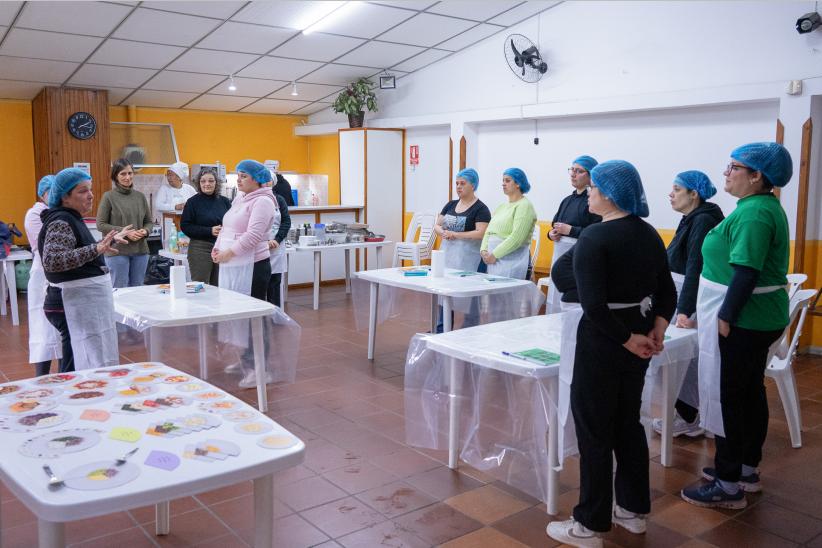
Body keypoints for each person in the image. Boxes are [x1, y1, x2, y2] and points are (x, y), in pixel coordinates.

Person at [547, 160, 676, 547]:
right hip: (637, 334)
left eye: (594, 187)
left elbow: (594, 305)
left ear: (609, 194)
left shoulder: (595, 239)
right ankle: (632, 511)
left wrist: (625, 339)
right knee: (628, 423)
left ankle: (589, 524)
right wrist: (655, 329)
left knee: (594, 431)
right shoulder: (649, 233)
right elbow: (667, 291)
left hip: (605, 341)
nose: (588, 192)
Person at [681, 142, 792, 510]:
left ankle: (728, 484)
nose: (726, 173)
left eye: (734, 167)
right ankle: (745, 467)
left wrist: (726, 316)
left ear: (757, 176)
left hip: (744, 319)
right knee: (747, 392)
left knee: (729, 396)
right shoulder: (755, 207)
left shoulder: (755, 214)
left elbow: (746, 271)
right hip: (754, 316)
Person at [651, 171, 724, 438]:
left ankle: (689, 415)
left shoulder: (703, 220)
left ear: (694, 193)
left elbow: (696, 265)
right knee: (676, 356)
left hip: (688, 297)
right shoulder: (692, 218)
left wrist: (684, 309)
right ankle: (685, 411)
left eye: (677, 189)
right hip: (681, 292)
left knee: (684, 357)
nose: (671, 194)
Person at [40, 168, 129, 371]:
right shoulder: (61, 221)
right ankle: (73, 399)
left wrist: (104, 244)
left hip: (79, 301)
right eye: (82, 191)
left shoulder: (69, 218)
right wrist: (96, 249)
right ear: (65, 197)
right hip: (70, 303)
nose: (90, 195)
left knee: (80, 357)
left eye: (90, 190)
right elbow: (53, 260)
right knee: (78, 362)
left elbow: (75, 252)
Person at [212, 159, 276, 388]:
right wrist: (217, 248)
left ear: (257, 179)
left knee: (252, 318)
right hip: (234, 265)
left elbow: (254, 236)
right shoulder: (240, 198)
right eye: (237, 175)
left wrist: (229, 252)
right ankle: (244, 361)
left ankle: (260, 369)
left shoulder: (263, 202)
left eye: (243, 176)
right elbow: (227, 226)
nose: (238, 179)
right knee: (237, 314)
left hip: (254, 266)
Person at [433, 168, 491, 331]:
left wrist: (457, 235)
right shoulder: (450, 204)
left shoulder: (481, 209)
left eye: (462, 184)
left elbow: (481, 233)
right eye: (457, 183)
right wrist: (443, 232)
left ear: (473, 186)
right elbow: (437, 225)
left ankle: (470, 330)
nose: (458, 187)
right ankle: (442, 327)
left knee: (469, 296)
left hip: (469, 259)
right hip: (448, 256)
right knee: (444, 292)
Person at [546, 155, 602, 313]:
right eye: (572, 170)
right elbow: (554, 224)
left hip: (580, 256)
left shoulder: (594, 202)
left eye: (579, 171)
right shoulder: (567, 200)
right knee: (554, 299)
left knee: (572, 302)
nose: (573, 174)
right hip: (559, 255)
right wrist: (551, 234)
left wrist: (571, 230)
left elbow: (596, 232)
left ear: (590, 175)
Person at [24, 175, 62, 376]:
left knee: (62, 330)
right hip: (41, 276)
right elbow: (47, 243)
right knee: (42, 330)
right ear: (44, 193)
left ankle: (66, 374)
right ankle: (42, 377)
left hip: (59, 277)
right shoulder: (34, 214)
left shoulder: (58, 213)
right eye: (52, 192)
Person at [96, 159, 153, 288]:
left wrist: (145, 231)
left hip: (140, 251)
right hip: (117, 252)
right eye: (123, 174)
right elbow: (100, 224)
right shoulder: (108, 197)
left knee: (137, 290)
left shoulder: (140, 197)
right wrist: (125, 232)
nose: (127, 177)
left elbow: (149, 222)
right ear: (115, 176)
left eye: (130, 173)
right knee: (119, 290)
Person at [480, 168, 537, 279]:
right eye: (503, 181)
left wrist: (494, 254)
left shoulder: (525, 206)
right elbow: (488, 231)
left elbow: (517, 238)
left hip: (511, 261)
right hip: (492, 260)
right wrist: (483, 250)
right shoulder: (502, 206)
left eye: (507, 181)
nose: (503, 184)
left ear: (518, 184)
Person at [180, 167, 231, 285]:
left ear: (216, 183)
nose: (207, 184)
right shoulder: (192, 202)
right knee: (201, 286)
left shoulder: (225, 201)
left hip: (221, 247)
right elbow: (185, 226)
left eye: (211, 181)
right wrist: (209, 231)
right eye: (203, 181)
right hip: (200, 248)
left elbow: (232, 222)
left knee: (219, 286)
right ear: (199, 183)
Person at [266, 188, 291, 307]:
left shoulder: (279, 200)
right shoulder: (253, 199)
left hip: (276, 246)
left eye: (269, 180)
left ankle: (276, 313)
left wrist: (277, 239)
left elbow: (286, 222)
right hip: (259, 246)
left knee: (275, 282)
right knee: (260, 282)